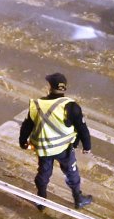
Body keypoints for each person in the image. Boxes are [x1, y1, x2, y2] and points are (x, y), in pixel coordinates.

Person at [18, 72, 94, 210]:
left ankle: (41, 200)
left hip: (44, 150)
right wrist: (87, 146)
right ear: (64, 88)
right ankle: (78, 199)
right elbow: (83, 129)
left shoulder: (37, 104)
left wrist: (23, 141)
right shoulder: (71, 106)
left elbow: (26, 125)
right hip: (64, 149)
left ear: (49, 87)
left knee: (43, 173)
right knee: (71, 173)